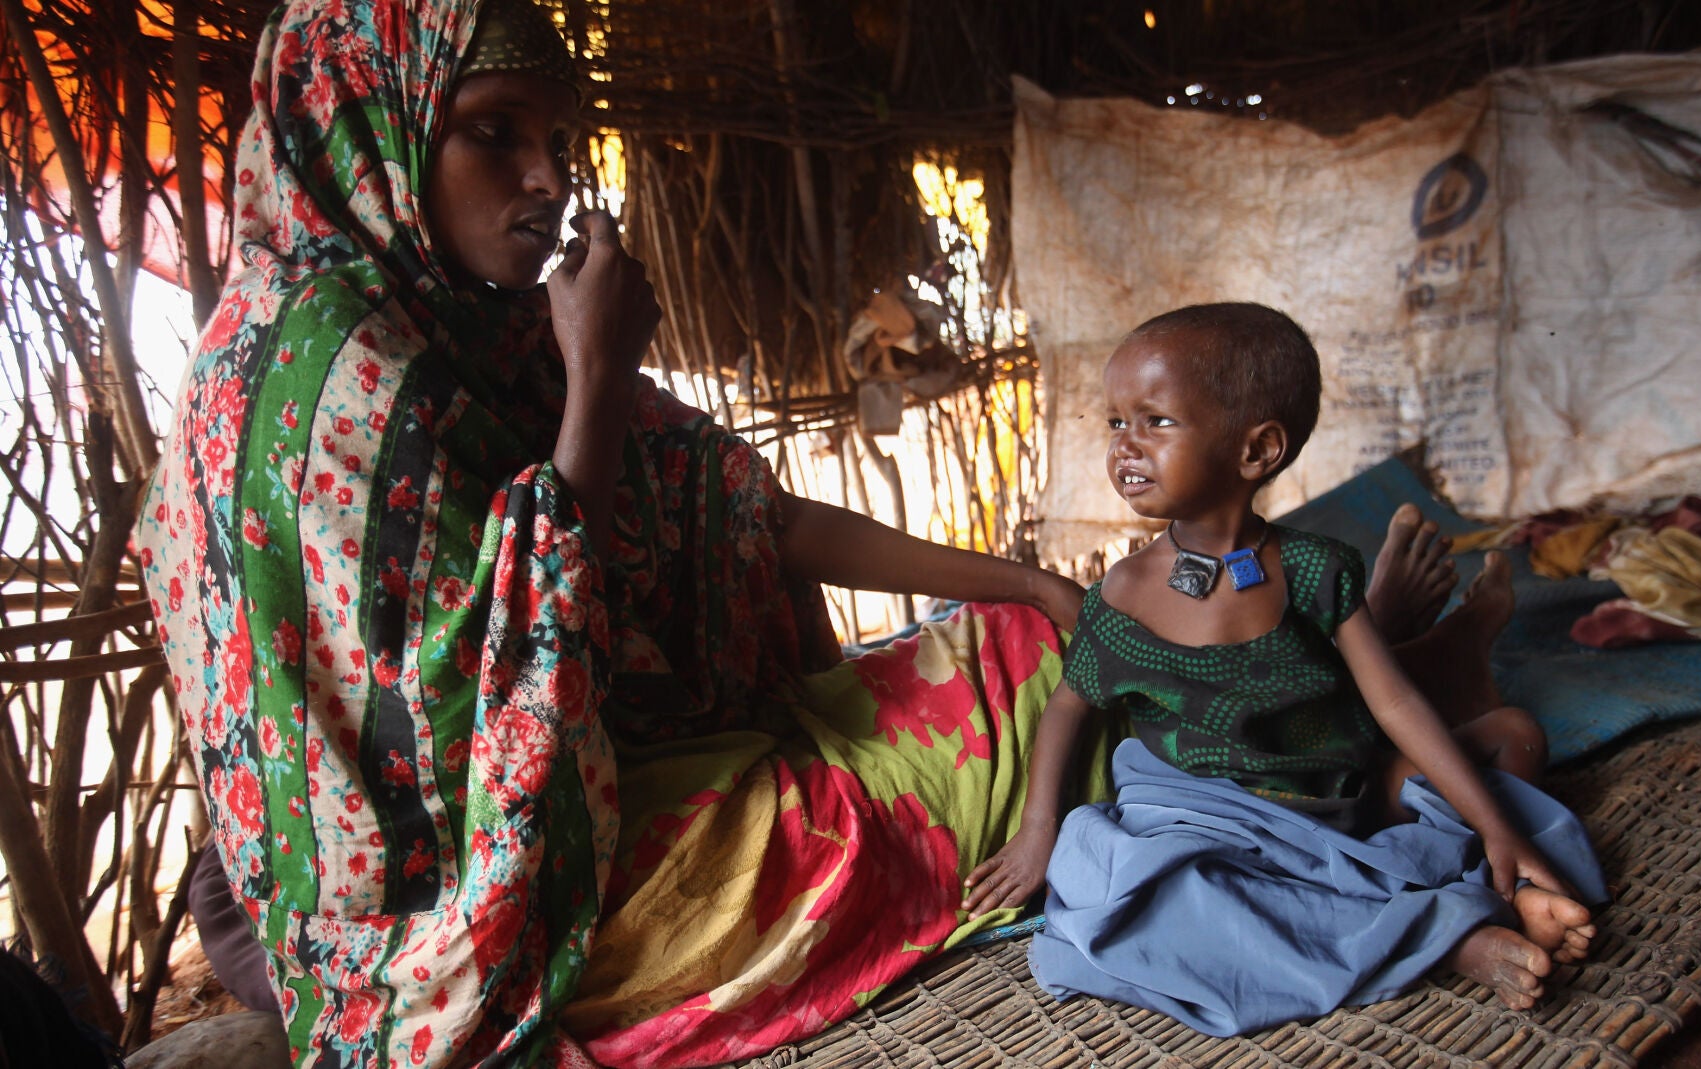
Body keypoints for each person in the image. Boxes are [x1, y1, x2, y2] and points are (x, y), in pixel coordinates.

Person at [137, 2, 1098, 1066]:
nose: (549, 180)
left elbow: (738, 509)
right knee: (907, 796)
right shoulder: (324, 371)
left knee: (1028, 647)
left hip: (601, 801)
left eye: (558, 143)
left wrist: (1021, 581)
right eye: (495, 131)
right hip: (486, 916)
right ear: (371, 125)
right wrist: (594, 376)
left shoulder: (483, 332)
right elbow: (496, 711)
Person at [960, 303, 1606, 1036]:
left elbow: (1392, 705)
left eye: (1155, 422)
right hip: (1203, 818)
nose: (1125, 446)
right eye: (1115, 423)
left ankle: (1493, 884)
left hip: (1338, 799)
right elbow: (1068, 709)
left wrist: (1499, 831)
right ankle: (1453, 935)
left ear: (1257, 450)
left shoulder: (1312, 570)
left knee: (1514, 745)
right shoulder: (1123, 595)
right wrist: (1038, 828)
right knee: (1108, 872)